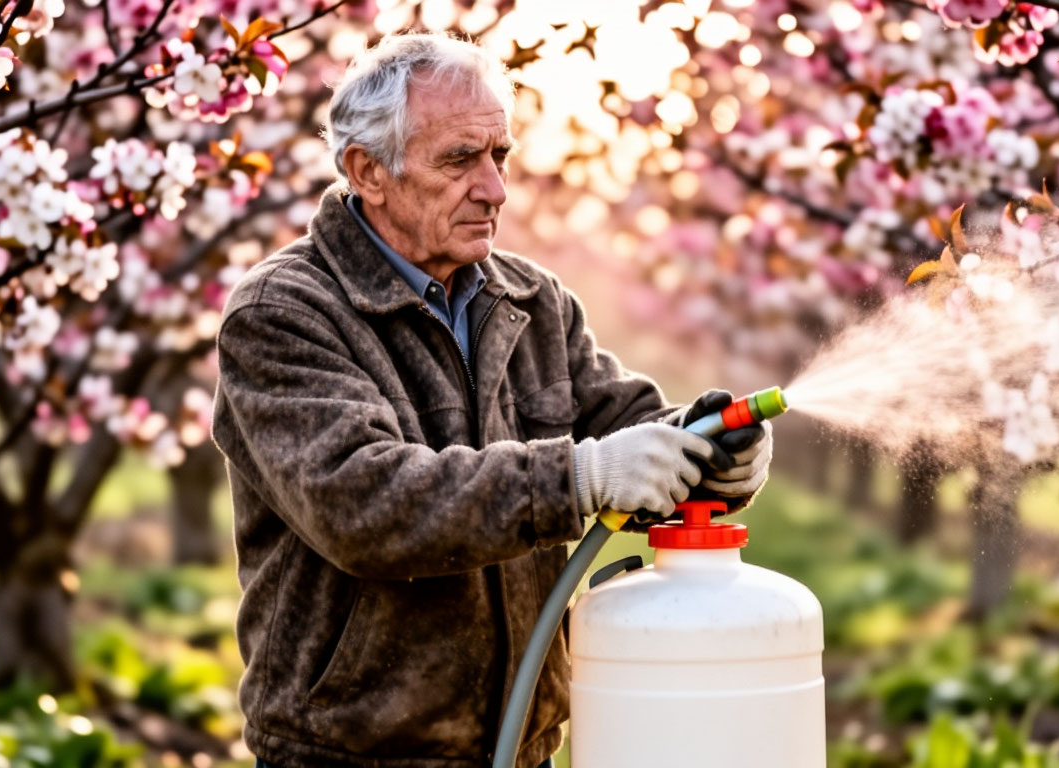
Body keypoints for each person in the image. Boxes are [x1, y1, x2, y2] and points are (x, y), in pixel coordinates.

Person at [211, 32, 773, 768]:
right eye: (459, 160)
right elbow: (361, 503)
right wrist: (581, 479)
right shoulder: (284, 313)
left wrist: (709, 446)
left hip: (523, 747)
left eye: (499, 157)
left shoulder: (530, 300)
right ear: (367, 171)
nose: (495, 189)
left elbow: (620, 423)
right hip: (354, 752)